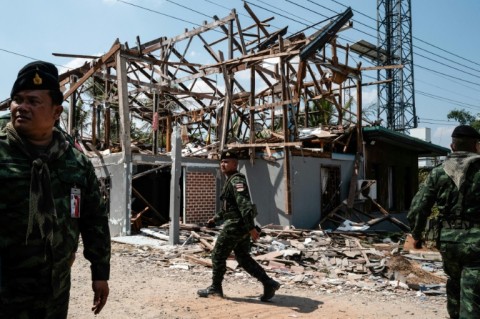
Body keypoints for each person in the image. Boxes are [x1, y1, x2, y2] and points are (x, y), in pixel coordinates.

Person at [0, 61, 111, 318]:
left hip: (54, 289)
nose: (21, 107)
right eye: (17, 100)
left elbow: (94, 220)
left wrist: (100, 273)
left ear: (56, 112)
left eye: (33, 101)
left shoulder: (75, 161)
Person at [407, 124, 480, 319]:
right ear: (476, 146)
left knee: (454, 284)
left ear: (452, 146)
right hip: (476, 243)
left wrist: (417, 234)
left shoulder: (439, 172)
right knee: (472, 293)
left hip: (448, 241)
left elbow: (419, 207)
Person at [198, 150, 280, 301]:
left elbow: (245, 206)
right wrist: (215, 219)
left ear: (235, 164)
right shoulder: (231, 180)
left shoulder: (236, 181)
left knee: (218, 254)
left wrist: (252, 228)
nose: (223, 164)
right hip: (239, 224)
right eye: (222, 161)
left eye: (227, 162)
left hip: (236, 225)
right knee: (243, 257)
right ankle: (269, 283)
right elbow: (231, 208)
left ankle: (215, 289)